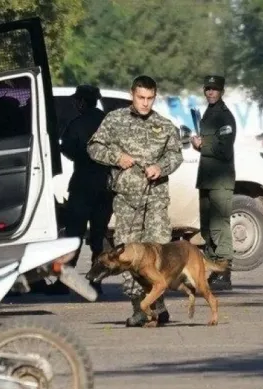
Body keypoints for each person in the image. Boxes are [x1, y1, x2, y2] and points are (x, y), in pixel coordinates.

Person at [87, 75, 183, 327]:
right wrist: (116, 157)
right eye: (141, 97)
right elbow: (94, 147)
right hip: (127, 202)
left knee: (159, 257)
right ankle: (138, 309)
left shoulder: (163, 125)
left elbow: (176, 155)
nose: (145, 103)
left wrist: (160, 167)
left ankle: (158, 306)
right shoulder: (115, 120)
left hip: (155, 203)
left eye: (150, 98)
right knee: (127, 257)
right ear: (132, 94)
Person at [56, 84, 112, 296]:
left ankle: (65, 282)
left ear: (81, 102)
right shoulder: (109, 122)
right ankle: (96, 281)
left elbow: (67, 148)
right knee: (98, 237)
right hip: (106, 186)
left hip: (82, 186)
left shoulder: (77, 124)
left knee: (73, 236)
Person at [191, 75, 237, 291]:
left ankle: (224, 270)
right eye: (207, 88)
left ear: (221, 92)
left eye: (214, 89)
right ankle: (212, 269)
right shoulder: (209, 114)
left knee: (220, 226)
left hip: (220, 180)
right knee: (207, 228)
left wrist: (203, 144)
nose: (210, 92)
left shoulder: (224, 117)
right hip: (207, 178)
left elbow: (224, 149)